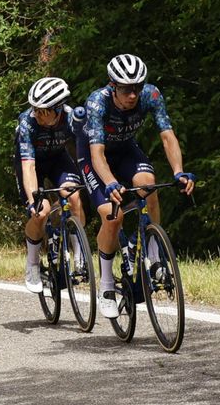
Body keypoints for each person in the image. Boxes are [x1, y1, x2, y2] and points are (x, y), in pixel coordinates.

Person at [79, 54, 195, 318]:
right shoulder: (98, 102)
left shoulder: (151, 96)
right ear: (112, 85)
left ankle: (154, 256)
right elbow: (97, 155)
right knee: (113, 214)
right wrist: (109, 183)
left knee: (148, 184)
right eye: (126, 89)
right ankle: (107, 285)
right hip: (95, 154)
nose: (133, 95)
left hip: (126, 149)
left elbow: (167, 136)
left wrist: (178, 172)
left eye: (137, 87)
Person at [15, 77, 87, 293]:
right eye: (35, 109)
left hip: (58, 159)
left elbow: (85, 151)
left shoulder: (72, 118)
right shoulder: (27, 122)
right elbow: (28, 167)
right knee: (40, 212)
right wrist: (32, 200)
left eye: (43, 111)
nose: (37, 114)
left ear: (57, 109)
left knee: (73, 196)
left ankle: (79, 254)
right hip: (31, 164)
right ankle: (33, 263)